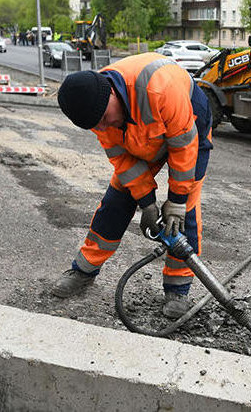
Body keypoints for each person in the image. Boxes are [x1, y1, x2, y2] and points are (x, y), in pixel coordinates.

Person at [53, 52, 213, 319]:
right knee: (117, 199)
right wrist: (147, 202)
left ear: (112, 94)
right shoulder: (95, 109)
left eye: (105, 118)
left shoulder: (160, 88)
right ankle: (84, 270)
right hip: (140, 134)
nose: (103, 126)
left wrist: (176, 200)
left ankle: (178, 289)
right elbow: (123, 161)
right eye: (97, 125)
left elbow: (183, 148)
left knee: (184, 212)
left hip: (189, 126)